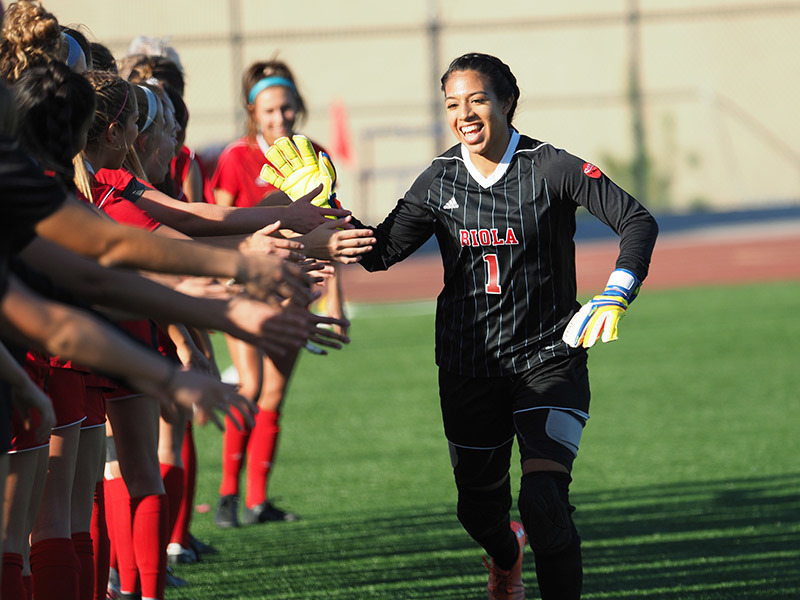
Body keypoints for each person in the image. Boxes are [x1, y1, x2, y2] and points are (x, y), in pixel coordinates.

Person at [263, 52, 658, 600]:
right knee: (478, 510)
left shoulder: (551, 167)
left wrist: (618, 291)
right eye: (453, 104)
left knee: (545, 501)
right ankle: (504, 556)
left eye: (477, 100)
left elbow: (637, 219)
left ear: (507, 103)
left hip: (550, 357)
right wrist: (326, 205)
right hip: (469, 365)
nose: (464, 114)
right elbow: (380, 252)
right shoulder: (440, 178)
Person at [211, 59, 349, 527]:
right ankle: (227, 497)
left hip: (295, 288)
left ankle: (257, 501)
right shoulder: (236, 157)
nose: (280, 117)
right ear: (254, 112)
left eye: (287, 107)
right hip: (246, 286)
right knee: (248, 387)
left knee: (273, 394)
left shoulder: (317, 155)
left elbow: (331, 237)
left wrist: (336, 303)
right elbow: (217, 224)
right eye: (270, 109)